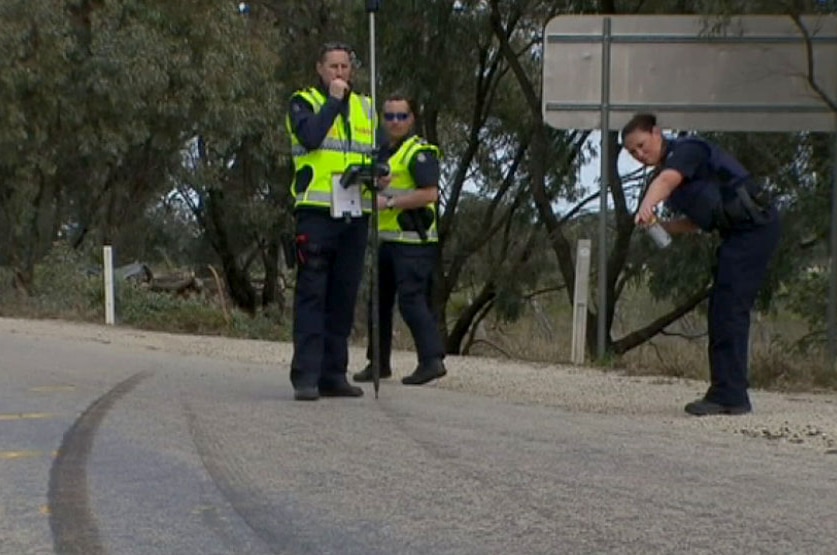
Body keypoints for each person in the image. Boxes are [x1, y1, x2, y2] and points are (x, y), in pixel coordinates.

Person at [624, 113, 780, 416]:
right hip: (736, 233)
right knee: (723, 307)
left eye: (642, 145)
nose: (640, 155)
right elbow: (697, 221)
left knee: (730, 308)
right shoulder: (676, 183)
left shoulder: (686, 151)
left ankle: (730, 395)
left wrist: (647, 204)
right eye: (633, 153)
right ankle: (727, 390)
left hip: (755, 226)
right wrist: (663, 227)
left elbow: (666, 180)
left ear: (657, 133)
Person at [284, 42, 377, 401]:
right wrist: (334, 102)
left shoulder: (366, 107)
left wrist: (377, 173)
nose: (340, 72)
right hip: (317, 212)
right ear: (320, 70)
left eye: (345, 66)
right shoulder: (303, 102)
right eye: (333, 66)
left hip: (355, 212)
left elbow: (377, 149)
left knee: (343, 296)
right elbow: (310, 137)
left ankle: (333, 374)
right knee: (312, 295)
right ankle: (305, 376)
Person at [352, 94, 447, 386]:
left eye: (401, 116)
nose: (395, 122)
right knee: (377, 302)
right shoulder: (381, 153)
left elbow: (430, 193)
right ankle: (377, 363)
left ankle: (431, 360)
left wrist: (391, 203)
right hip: (387, 240)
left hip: (413, 242)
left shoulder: (419, 153)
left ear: (411, 119)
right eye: (390, 116)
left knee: (410, 301)